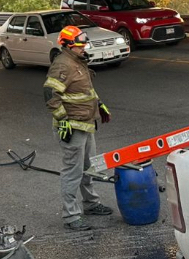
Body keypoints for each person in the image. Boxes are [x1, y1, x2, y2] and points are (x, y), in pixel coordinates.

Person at [43, 24, 114, 231]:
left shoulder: (78, 62)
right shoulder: (63, 65)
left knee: (89, 167)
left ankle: (91, 204)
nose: (84, 47)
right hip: (72, 127)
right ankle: (71, 216)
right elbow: (50, 94)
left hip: (86, 123)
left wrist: (99, 104)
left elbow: (85, 89)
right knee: (72, 172)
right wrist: (62, 120)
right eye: (79, 45)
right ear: (67, 45)